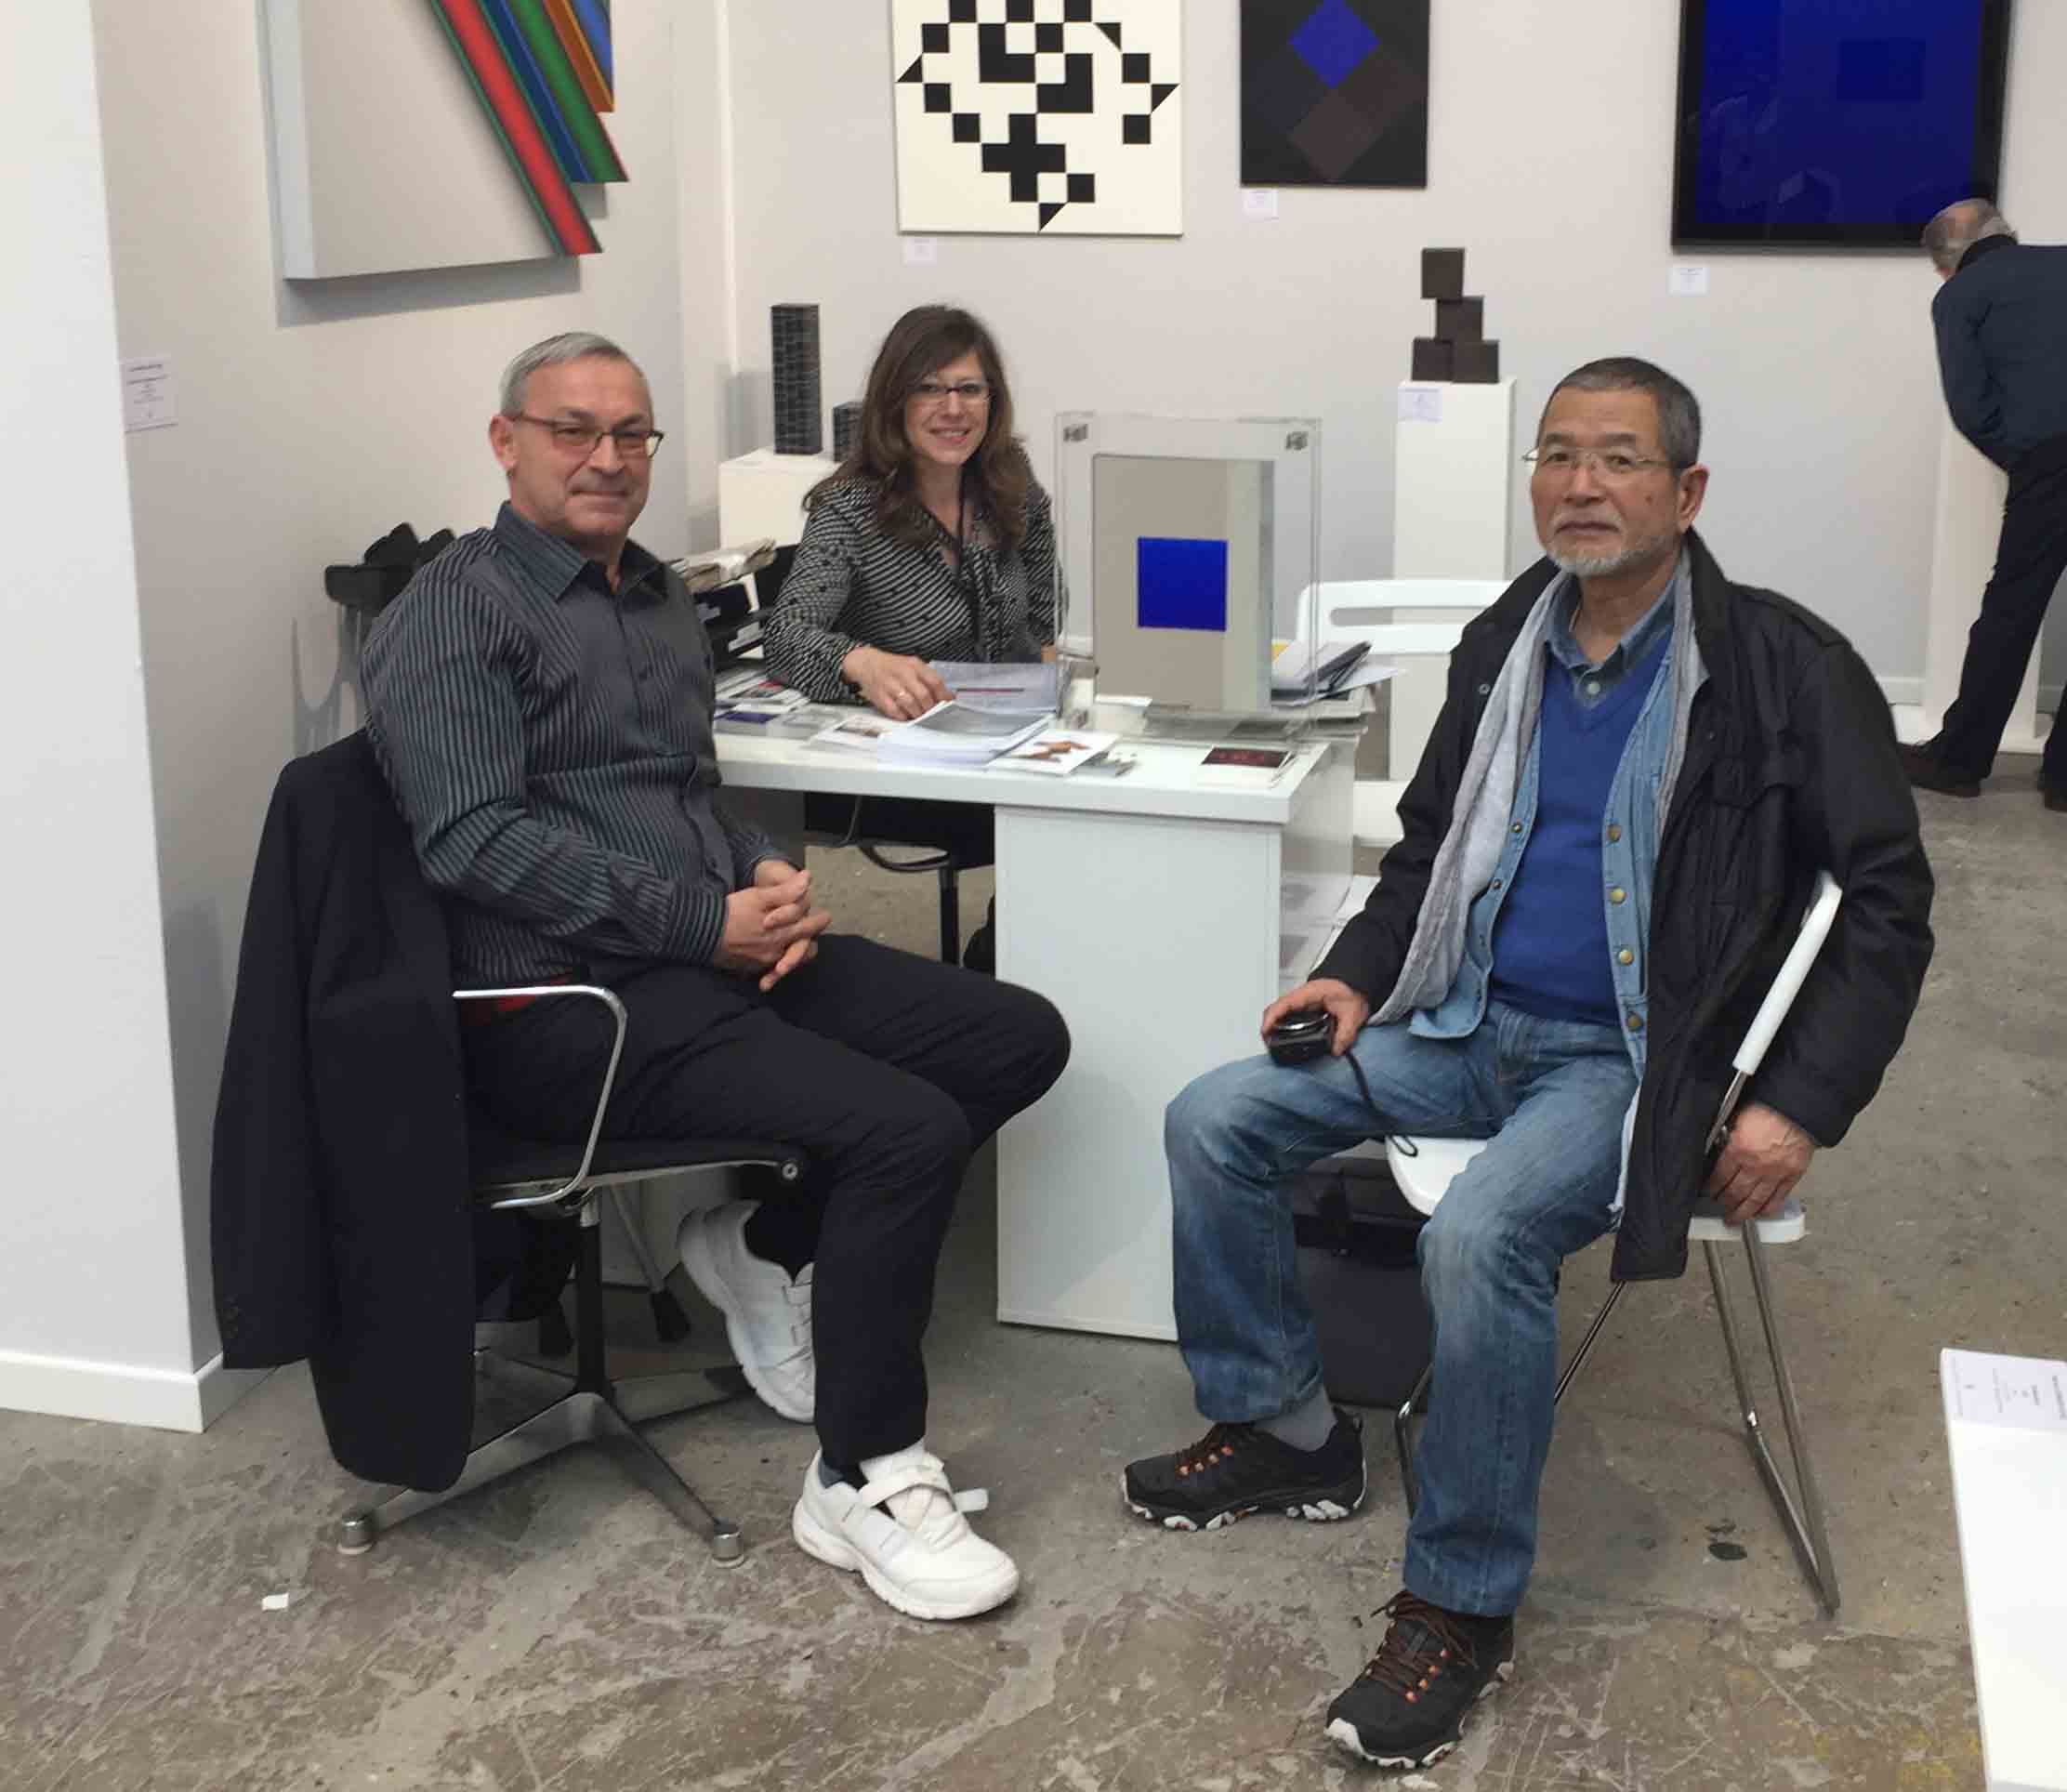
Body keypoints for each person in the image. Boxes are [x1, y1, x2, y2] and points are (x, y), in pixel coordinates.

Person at [1123, 359, 1934, 1769]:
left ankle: (1461, 1602)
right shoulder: (1510, 638)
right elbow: (1431, 843)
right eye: (1556, 455)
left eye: (1618, 457)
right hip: (1463, 1021)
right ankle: (1285, 1430)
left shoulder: (1784, 667)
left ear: (1686, 490)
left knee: (1480, 1236)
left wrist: (1798, 1101)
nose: (1580, 485)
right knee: (1215, 1117)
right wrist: (1356, 973)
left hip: (1627, 1060)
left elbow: (1887, 900)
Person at [362, 331, 1070, 1621]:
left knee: (1015, 1035)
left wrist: (763, 875)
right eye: (573, 430)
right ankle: (861, 1478)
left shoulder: (648, 595)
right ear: (506, 442)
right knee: (903, 1130)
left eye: (631, 433)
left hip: (700, 952)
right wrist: (705, 922)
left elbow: (685, 789)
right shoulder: (456, 612)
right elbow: (473, 842)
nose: (607, 457)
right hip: (567, 1004)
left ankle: (764, 1244)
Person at [762, 305, 1061, 969]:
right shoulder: (850, 508)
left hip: (1013, 745)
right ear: (895, 400)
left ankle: (1009, 953)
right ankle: (1002, 967)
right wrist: (861, 661)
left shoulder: (1012, 486)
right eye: (930, 388)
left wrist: (1058, 696)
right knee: (1067, 825)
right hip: (907, 772)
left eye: (970, 389)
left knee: (1100, 817)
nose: (953, 409)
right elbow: (786, 634)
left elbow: (1045, 614)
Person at [1903, 198, 2067, 810]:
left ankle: (1958, 760)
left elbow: (1971, 407)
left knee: (2011, 609)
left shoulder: (1960, 296)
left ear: (1944, 263)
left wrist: (2025, 456)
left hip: (2051, 459)